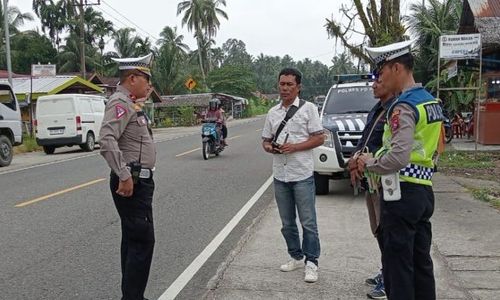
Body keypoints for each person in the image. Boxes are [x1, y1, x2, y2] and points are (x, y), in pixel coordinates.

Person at [357, 40, 443, 300]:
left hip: (401, 193)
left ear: (396, 68)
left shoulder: (403, 106)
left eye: (379, 73)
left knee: (398, 269)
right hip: (424, 192)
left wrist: (369, 163)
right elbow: (435, 149)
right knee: (421, 264)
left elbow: (398, 155)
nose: (378, 78)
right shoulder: (430, 101)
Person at [99, 53, 156, 300]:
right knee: (142, 242)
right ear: (133, 78)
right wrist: (124, 175)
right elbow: (106, 139)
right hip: (131, 180)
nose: (149, 85)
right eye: (146, 79)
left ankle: (131, 296)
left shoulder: (130, 103)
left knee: (133, 240)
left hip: (138, 180)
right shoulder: (120, 103)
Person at [261, 67, 324, 283]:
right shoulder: (272, 113)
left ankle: (312, 262)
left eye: (289, 84)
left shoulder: (309, 109)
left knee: (308, 222)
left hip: (302, 174)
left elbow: (319, 138)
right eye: (282, 84)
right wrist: (270, 147)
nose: (285, 88)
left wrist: (295, 147)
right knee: (287, 222)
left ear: (298, 87)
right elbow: (265, 141)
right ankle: (295, 256)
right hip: (280, 175)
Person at [348, 80, 396, 299]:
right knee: (377, 228)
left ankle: (391, 278)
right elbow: (366, 139)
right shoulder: (377, 109)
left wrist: (367, 160)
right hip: (371, 179)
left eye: (379, 80)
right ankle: (386, 269)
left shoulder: (397, 109)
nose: (374, 85)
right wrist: (355, 158)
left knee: (389, 230)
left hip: (387, 180)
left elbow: (391, 148)